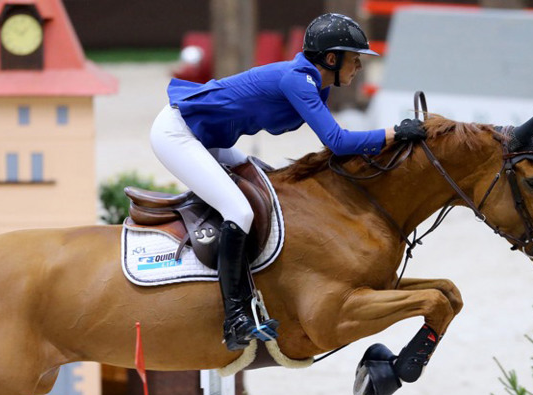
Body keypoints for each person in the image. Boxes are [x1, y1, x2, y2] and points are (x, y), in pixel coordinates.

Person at [150, 13, 427, 351]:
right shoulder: (299, 80)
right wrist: (393, 133)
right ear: (331, 59)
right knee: (239, 211)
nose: (358, 68)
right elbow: (338, 142)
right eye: (354, 60)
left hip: (211, 139)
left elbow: (335, 147)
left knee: (271, 187)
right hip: (178, 133)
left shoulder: (315, 85)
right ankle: (235, 317)